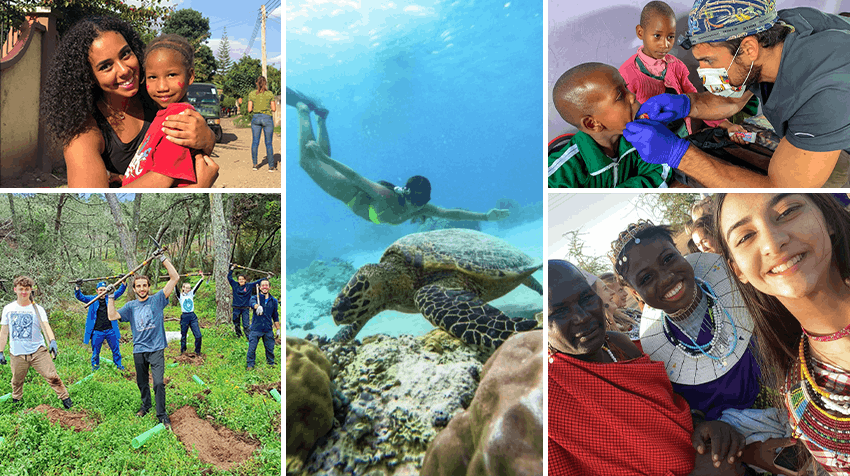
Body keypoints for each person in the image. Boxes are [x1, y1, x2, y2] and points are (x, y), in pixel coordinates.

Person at [610, 219, 797, 474]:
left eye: (668, 259)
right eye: (646, 278)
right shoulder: (656, 358)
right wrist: (744, 449)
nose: (665, 278)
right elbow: (693, 418)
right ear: (635, 294)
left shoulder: (748, 290)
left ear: (681, 253)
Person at [547, 259, 746, 476]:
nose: (582, 316)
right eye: (558, 312)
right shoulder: (549, 402)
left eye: (586, 298)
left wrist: (703, 426)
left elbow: (667, 412)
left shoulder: (619, 345)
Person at [623, 1, 850, 188]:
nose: (703, 72)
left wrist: (678, 154)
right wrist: (686, 103)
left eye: (709, 60)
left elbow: (780, 188)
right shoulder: (775, 29)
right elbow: (733, 100)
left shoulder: (824, 94)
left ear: (749, 49)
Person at [714, 193, 850, 474]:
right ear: (738, 269)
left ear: (827, 217)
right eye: (745, 237)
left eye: (788, 211)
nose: (773, 243)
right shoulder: (796, 393)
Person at [41, 16, 218, 188]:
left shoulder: (158, 97)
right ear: (89, 77)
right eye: (106, 66)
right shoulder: (84, 133)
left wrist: (207, 138)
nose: (124, 70)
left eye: (125, 54)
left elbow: (190, 155)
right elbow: (97, 204)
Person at [292, 96, 511, 225]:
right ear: (406, 194)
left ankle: (321, 119)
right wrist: (322, 158)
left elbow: (449, 212)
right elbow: (354, 176)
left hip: (353, 195)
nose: (412, 209)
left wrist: (486, 216)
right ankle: (304, 110)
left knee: (318, 161)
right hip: (348, 192)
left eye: (419, 204)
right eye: (414, 203)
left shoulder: (420, 207)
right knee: (309, 161)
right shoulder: (386, 195)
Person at [619, 1, 749, 139]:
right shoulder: (627, 73)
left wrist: (725, 124)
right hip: (649, 144)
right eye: (657, 36)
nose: (665, 44)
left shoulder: (676, 66)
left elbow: (697, 101)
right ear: (640, 32)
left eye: (670, 37)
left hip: (682, 137)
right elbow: (624, 118)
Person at [549, 63, 674, 188]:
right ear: (592, 124)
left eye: (626, 87)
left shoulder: (639, 134)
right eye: (620, 96)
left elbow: (661, 169)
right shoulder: (557, 178)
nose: (632, 96)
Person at [121, 34, 217, 187]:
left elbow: (161, 179)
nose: (161, 87)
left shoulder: (179, 120)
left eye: (171, 75)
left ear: (190, 76)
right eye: (152, 77)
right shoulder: (165, 114)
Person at [106, 252, 179, 429]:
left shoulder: (158, 299)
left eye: (144, 285)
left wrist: (162, 258)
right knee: (142, 382)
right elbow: (112, 316)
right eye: (138, 286)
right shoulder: (131, 306)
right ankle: (146, 405)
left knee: (159, 382)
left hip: (156, 348)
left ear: (148, 287)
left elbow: (175, 277)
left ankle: (161, 414)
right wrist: (110, 297)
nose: (142, 288)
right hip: (139, 349)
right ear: (134, 288)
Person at [0, 276, 72, 409]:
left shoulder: (38, 309)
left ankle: (66, 400)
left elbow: (46, 326)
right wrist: (0, 351)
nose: (24, 292)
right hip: (17, 353)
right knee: (16, 381)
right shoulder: (8, 309)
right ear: (15, 289)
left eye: (27, 289)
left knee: (52, 377)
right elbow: (4, 331)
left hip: (38, 351)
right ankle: (17, 401)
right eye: (21, 289)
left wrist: (52, 341)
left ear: (31, 290)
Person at [74, 279, 127, 371]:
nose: (103, 292)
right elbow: (80, 297)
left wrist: (123, 282)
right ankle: (95, 368)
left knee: (116, 350)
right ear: (97, 291)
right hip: (97, 332)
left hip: (111, 330)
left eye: (104, 289)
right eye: (101, 290)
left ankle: (119, 367)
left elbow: (120, 291)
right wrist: (78, 287)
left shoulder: (110, 298)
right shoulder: (92, 299)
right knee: (95, 352)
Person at [247, 279, 280, 370]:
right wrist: (257, 306)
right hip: (255, 329)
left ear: (269, 287)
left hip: (268, 329)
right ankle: (250, 365)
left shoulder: (273, 301)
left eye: (266, 285)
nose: (265, 287)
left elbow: (275, 316)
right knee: (252, 349)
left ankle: (270, 363)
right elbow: (251, 303)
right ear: (260, 287)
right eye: (263, 285)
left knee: (270, 349)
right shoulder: (255, 297)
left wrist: (278, 329)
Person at [228, 265, 269, 339]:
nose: (241, 281)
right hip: (236, 307)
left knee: (246, 324)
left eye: (242, 279)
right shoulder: (235, 285)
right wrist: (232, 269)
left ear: (245, 280)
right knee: (236, 323)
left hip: (245, 308)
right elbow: (229, 278)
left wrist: (267, 277)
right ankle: (238, 336)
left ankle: (249, 338)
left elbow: (258, 282)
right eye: (239, 279)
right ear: (238, 280)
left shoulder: (249, 286)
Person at [248, 76, 278, 172]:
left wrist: (256, 108)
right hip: (267, 118)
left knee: (255, 142)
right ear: (265, 83)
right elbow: (273, 109)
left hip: (256, 118)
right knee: (268, 143)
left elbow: (249, 109)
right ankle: (271, 166)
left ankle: (255, 164)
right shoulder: (270, 94)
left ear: (256, 83)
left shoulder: (252, 94)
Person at [176, 271, 204, 355]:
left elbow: (197, 286)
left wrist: (202, 278)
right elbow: (175, 286)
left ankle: (197, 352)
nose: (188, 289)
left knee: (198, 335)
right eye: (187, 288)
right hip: (184, 316)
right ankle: (183, 351)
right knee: (183, 336)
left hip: (192, 316)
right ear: (183, 288)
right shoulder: (180, 295)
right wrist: (174, 278)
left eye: (189, 288)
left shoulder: (191, 293)